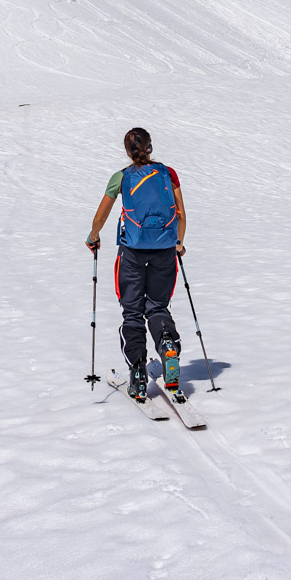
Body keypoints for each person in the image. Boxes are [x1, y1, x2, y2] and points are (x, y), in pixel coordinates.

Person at [86, 127, 187, 402]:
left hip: (131, 252)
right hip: (164, 250)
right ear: (150, 147)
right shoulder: (168, 173)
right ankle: (167, 344)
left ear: (127, 150)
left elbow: (100, 218)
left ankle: (139, 371)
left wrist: (93, 237)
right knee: (157, 307)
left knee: (132, 313)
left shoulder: (121, 177)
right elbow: (180, 213)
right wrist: (178, 243)